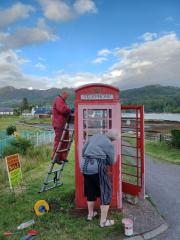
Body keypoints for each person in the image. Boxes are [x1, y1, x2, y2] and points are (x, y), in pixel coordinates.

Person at [80, 129, 120, 228]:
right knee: (106, 191)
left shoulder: (95, 136)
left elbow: (83, 150)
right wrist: (102, 160)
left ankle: (90, 215)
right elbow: (111, 161)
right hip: (96, 166)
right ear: (113, 139)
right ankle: (103, 222)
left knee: (90, 190)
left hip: (84, 165)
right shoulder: (109, 144)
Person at [52, 91, 71, 163]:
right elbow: (63, 109)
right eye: (66, 96)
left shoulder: (62, 100)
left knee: (65, 140)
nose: (66, 97)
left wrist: (68, 109)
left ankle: (63, 156)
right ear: (63, 94)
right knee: (59, 140)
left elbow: (65, 109)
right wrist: (69, 110)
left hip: (63, 124)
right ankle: (55, 157)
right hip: (59, 123)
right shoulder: (58, 99)